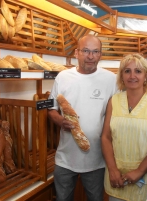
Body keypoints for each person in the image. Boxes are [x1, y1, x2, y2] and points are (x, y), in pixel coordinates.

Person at [47, 34, 117, 201]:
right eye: (86, 51)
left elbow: (116, 115)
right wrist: (59, 120)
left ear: (100, 54)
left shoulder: (111, 79)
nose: (91, 56)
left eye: (95, 51)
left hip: (97, 160)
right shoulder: (63, 77)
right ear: (77, 53)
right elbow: (51, 109)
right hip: (65, 158)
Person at [101, 53, 147, 201]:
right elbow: (105, 137)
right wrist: (112, 170)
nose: (132, 76)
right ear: (122, 76)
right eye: (127, 71)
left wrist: (139, 171)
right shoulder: (114, 100)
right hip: (116, 178)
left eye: (138, 71)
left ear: (146, 76)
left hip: (143, 179)